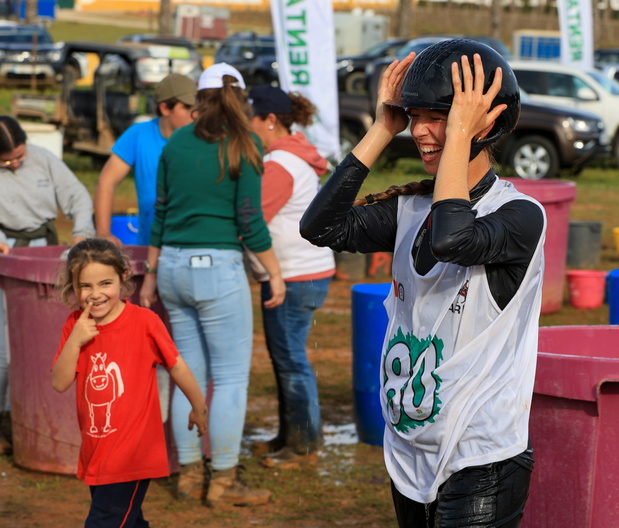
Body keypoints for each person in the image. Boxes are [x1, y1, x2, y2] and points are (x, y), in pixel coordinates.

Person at [300, 39, 545, 527]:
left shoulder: (519, 215)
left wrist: (456, 134)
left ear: (485, 123)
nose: (421, 131)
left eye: (438, 116)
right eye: (414, 116)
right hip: (410, 450)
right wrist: (380, 129)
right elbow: (319, 228)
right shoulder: (410, 209)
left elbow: (454, 239)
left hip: (482, 457)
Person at [139, 62, 286, 508]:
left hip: (172, 270)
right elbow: (249, 222)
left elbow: (160, 212)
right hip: (217, 269)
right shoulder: (246, 144)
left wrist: (149, 274)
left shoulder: (176, 141)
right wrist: (274, 272)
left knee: (189, 376)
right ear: (241, 99)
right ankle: (222, 482)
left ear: (198, 99)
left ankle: (187, 476)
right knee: (230, 379)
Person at [51, 238, 208, 527]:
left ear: (123, 276)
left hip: (132, 454)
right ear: (73, 287)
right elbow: (59, 382)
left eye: (105, 283)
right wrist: (75, 341)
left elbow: (177, 366)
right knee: (128, 520)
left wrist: (199, 406)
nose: (95, 294)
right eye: (85, 286)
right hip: (97, 448)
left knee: (105, 521)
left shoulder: (145, 322)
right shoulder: (74, 325)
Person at [246, 85, 336, 459]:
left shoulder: (280, 164)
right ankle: (292, 437)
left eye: (251, 119)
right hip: (307, 271)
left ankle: (303, 445)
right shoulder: (293, 157)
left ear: (269, 120)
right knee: (288, 357)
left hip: (294, 276)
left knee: (291, 359)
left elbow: (251, 222)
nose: (247, 127)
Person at [0, 115, 95, 455]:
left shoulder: (42, 158)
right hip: (7, 256)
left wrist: (82, 232)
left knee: (47, 340)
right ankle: (6, 418)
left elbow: (79, 197)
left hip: (47, 255)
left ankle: (45, 414)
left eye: (19, 157)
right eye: (6, 160)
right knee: (4, 346)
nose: (14, 163)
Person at [94, 73, 197, 247]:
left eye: (197, 107)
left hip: (192, 246)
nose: (194, 115)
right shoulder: (139, 134)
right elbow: (106, 182)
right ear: (165, 108)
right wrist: (103, 233)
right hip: (149, 246)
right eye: (187, 107)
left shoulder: (203, 139)